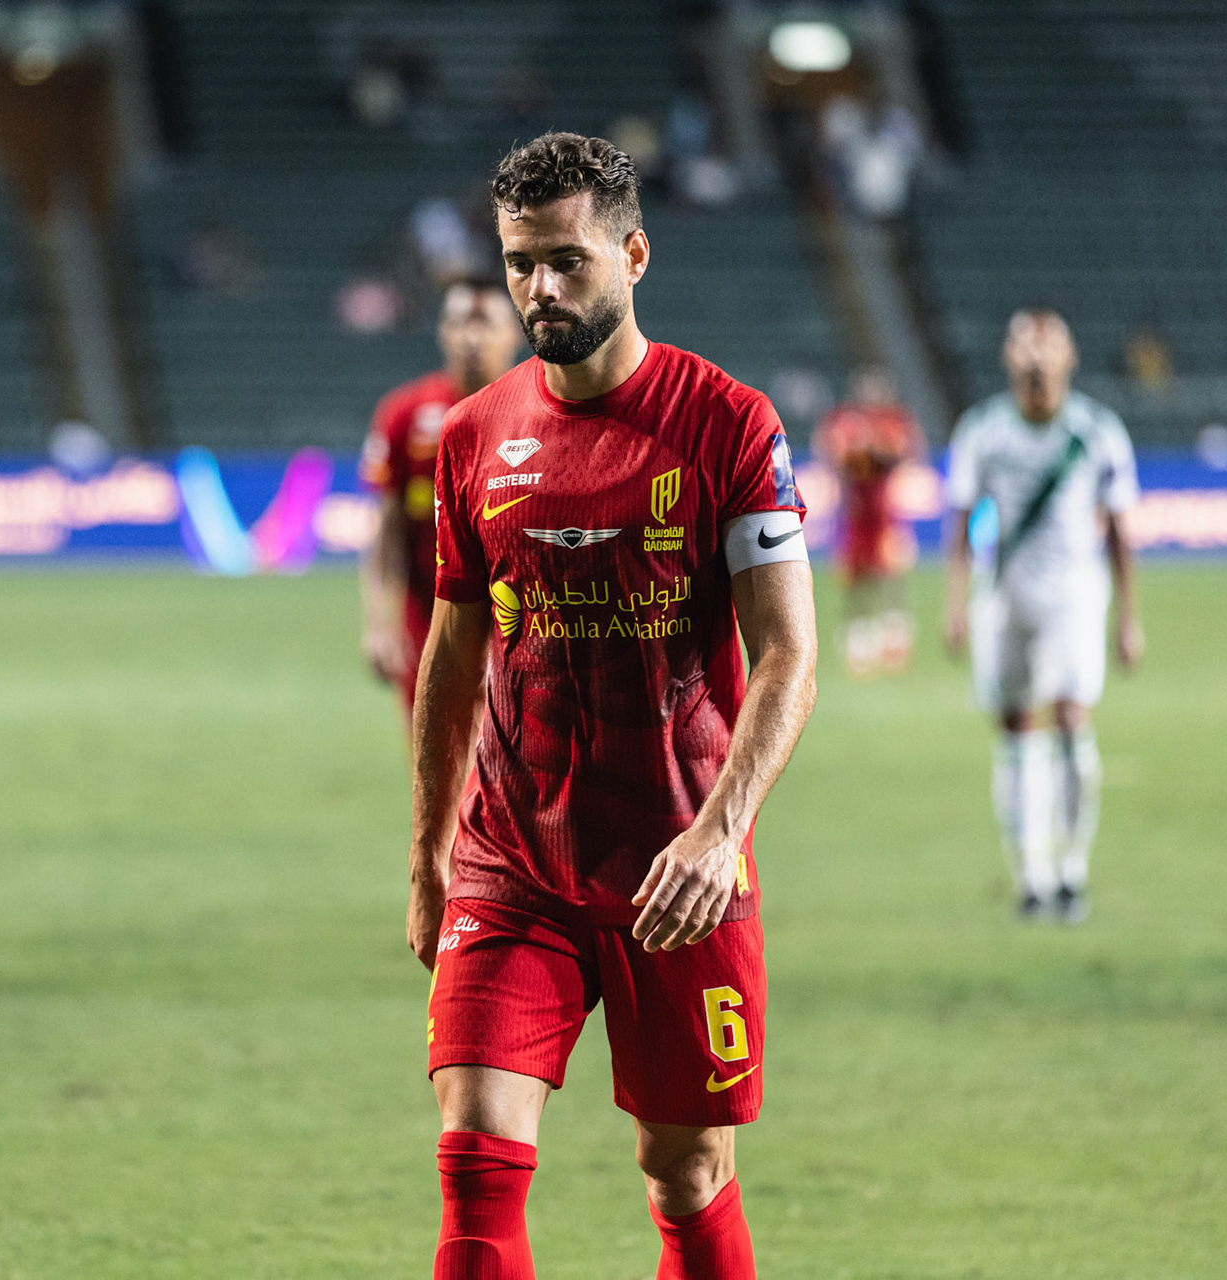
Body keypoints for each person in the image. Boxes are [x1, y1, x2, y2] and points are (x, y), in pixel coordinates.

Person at [410, 132, 819, 1279]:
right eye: (520, 263)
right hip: (513, 860)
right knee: (474, 1160)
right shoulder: (475, 437)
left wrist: (720, 828)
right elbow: (451, 656)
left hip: (676, 871)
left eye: (569, 261)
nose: (540, 288)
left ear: (634, 253)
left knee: (685, 1171)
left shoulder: (730, 424)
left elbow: (788, 653)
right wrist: (426, 850)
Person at [942, 310, 1142, 924]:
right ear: (1007, 358)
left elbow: (1121, 532)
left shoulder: (1098, 432)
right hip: (1003, 598)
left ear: (1069, 358)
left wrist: (1128, 618)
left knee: (1070, 717)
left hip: (1076, 597)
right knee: (1015, 728)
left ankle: (1071, 870)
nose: (1034, 356)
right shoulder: (983, 431)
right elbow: (959, 522)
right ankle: (1031, 873)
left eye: (1047, 344)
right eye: (1023, 345)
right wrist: (955, 605)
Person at [358, 276, 522, 715]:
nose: (471, 336)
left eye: (484, 322)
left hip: (520, 627)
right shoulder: (404, 413)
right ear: (442, 332)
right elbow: (387, 531)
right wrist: (379, 623)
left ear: (514, 332)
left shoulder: (543, 410)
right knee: (437, 773)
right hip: (428, 624)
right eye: (459, 322)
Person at [810, 368, 926, 676]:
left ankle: (894, 640)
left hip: (887, 518)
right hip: (855, 517)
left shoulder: (894, 421)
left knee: (892, 579)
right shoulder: (845, 422)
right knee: (856, 584)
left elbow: (909, 451)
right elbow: (828, 450)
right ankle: (859, 641)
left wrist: (876, 449)